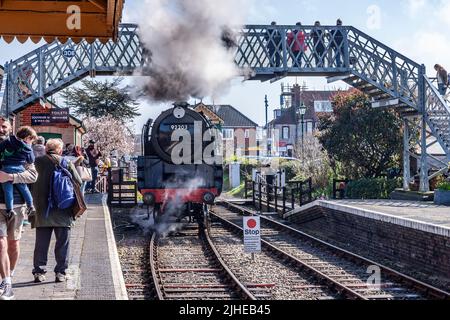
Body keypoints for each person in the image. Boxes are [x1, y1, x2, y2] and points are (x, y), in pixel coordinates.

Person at [31, 139, 82, 284]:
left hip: (41, 210)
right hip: (63, 209)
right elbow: (78, 181)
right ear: (59, 150)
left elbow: (29, 181)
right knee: (63, 243)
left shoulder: (37, 162)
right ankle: (60, 272)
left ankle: (39, 272)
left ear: (46, 149)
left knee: (41, 244)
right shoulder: (66, 162)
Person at [0, 117, 38, 300]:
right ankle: (6, 282)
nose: (1, 129)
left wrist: (10, 177)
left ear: (10, 128)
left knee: (13, 244)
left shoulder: (22, 147)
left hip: (18, 204)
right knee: (1, 244)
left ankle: (10, 275)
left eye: (3, 126)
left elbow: (33, 176)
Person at [0, 126, 37, 219]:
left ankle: (10, 210)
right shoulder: (27, 147)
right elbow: (31, 159)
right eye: (31, 139)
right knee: (24, 188)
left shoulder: (7, 141)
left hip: (6, 168)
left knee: (8, 191)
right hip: (19, 168)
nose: (31, 142)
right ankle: (31, 206)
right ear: (27, 137)